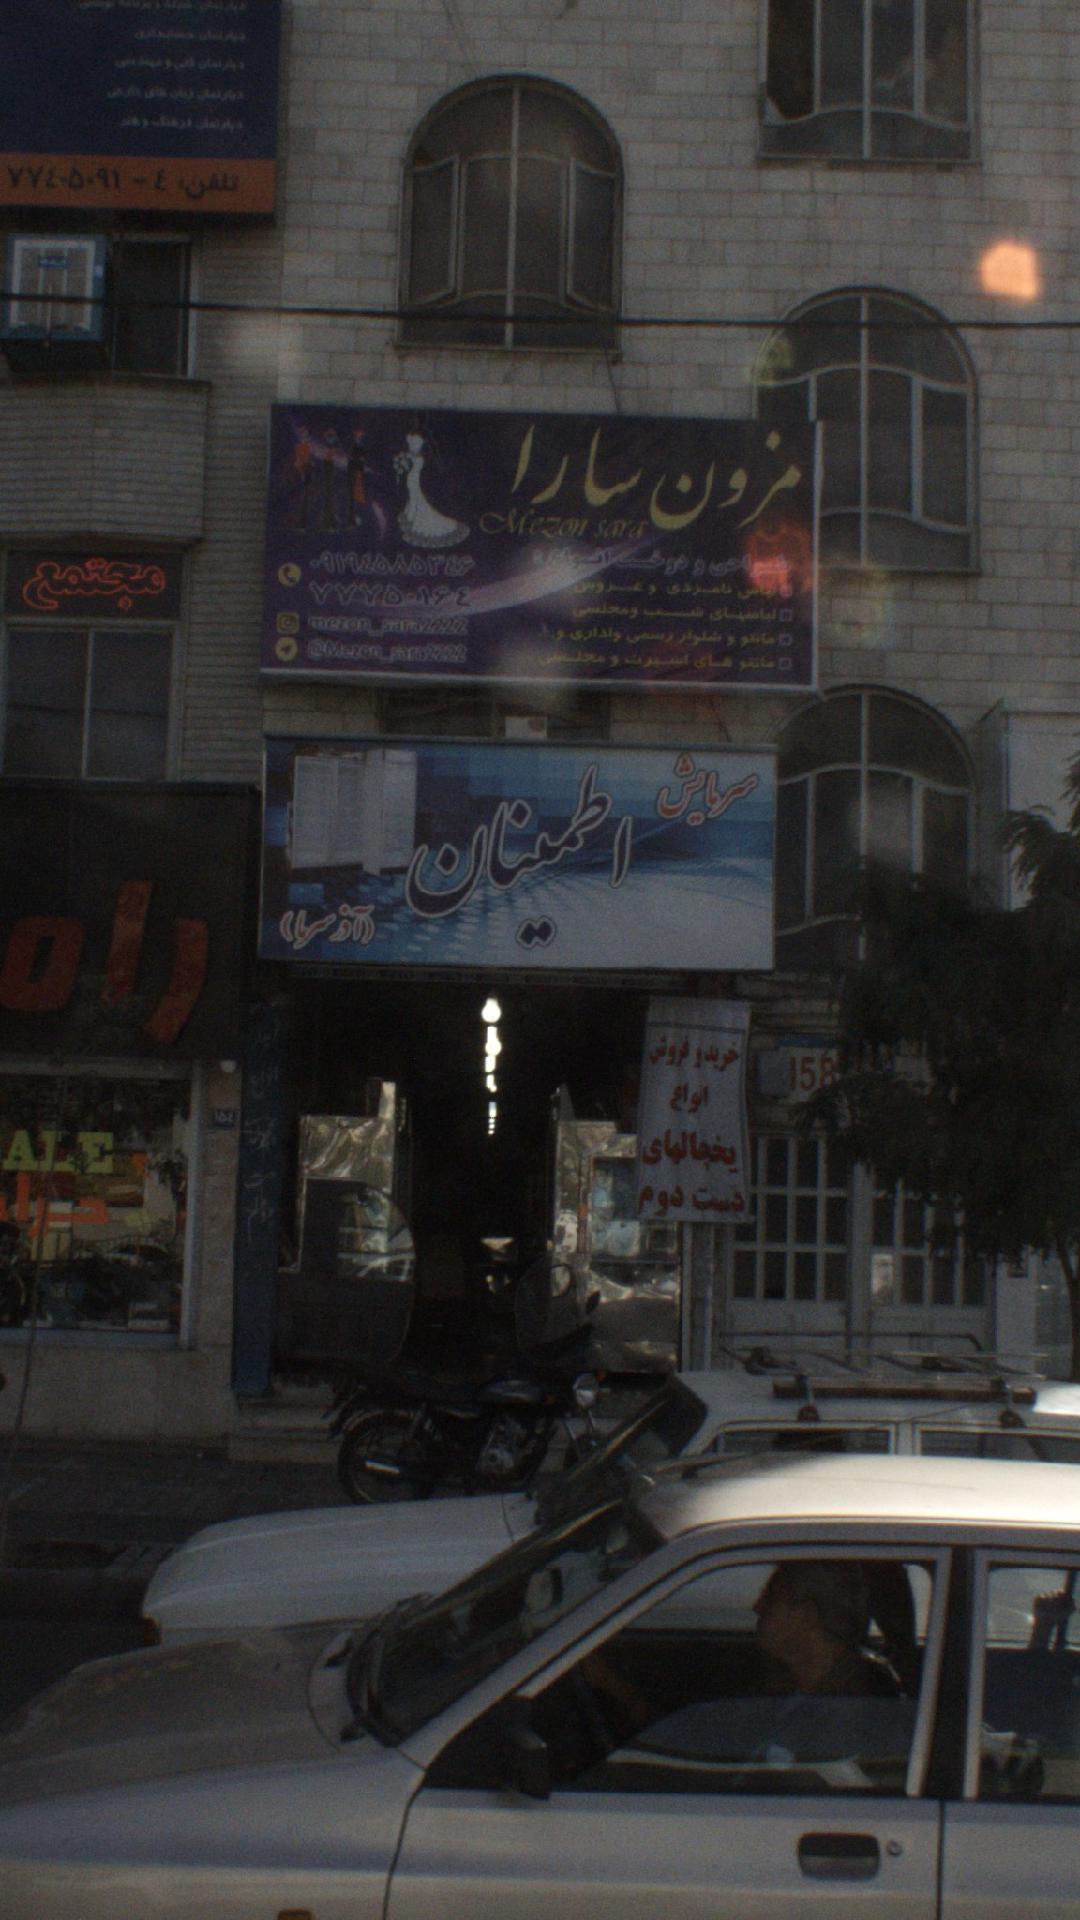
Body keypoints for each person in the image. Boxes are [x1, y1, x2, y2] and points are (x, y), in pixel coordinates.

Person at [754, 1559, 902, 1697]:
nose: (757, 1607)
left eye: (770, 1599)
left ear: (807, 1616)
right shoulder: (795, 1685)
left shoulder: (852, 1701)